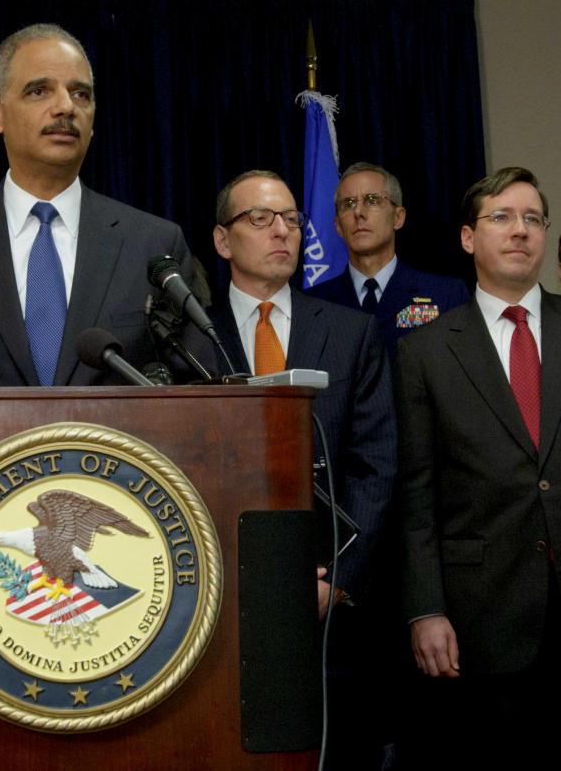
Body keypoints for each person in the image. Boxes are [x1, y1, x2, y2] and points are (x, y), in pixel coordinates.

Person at [0, 23, 212, 385]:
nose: (66, 107)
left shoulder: (155, 246)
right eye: (39, 91)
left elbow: (197, 392)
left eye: (81, 94)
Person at [209, 170, 396, 768]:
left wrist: (337, 578)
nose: (282, 232)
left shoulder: (348, 331)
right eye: (260, 219)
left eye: (292, 219)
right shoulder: (189, 334)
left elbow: (377, 465)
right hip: (218, 603)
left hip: (330, 611)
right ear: (222, 239)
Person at [395, 167, 561, 767]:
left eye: (533, 219)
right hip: (481, 618)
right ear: (468, 238)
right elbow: (415, 495)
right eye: (502, 217)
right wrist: (425, 607)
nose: (520, 231)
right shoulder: (425, 351)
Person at [305, 162, 468, 358]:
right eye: (348, 204)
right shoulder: (312, 304)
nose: (358, 212)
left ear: (398, 217)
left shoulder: (446, 296)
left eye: (372, 200)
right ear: (338, 225)